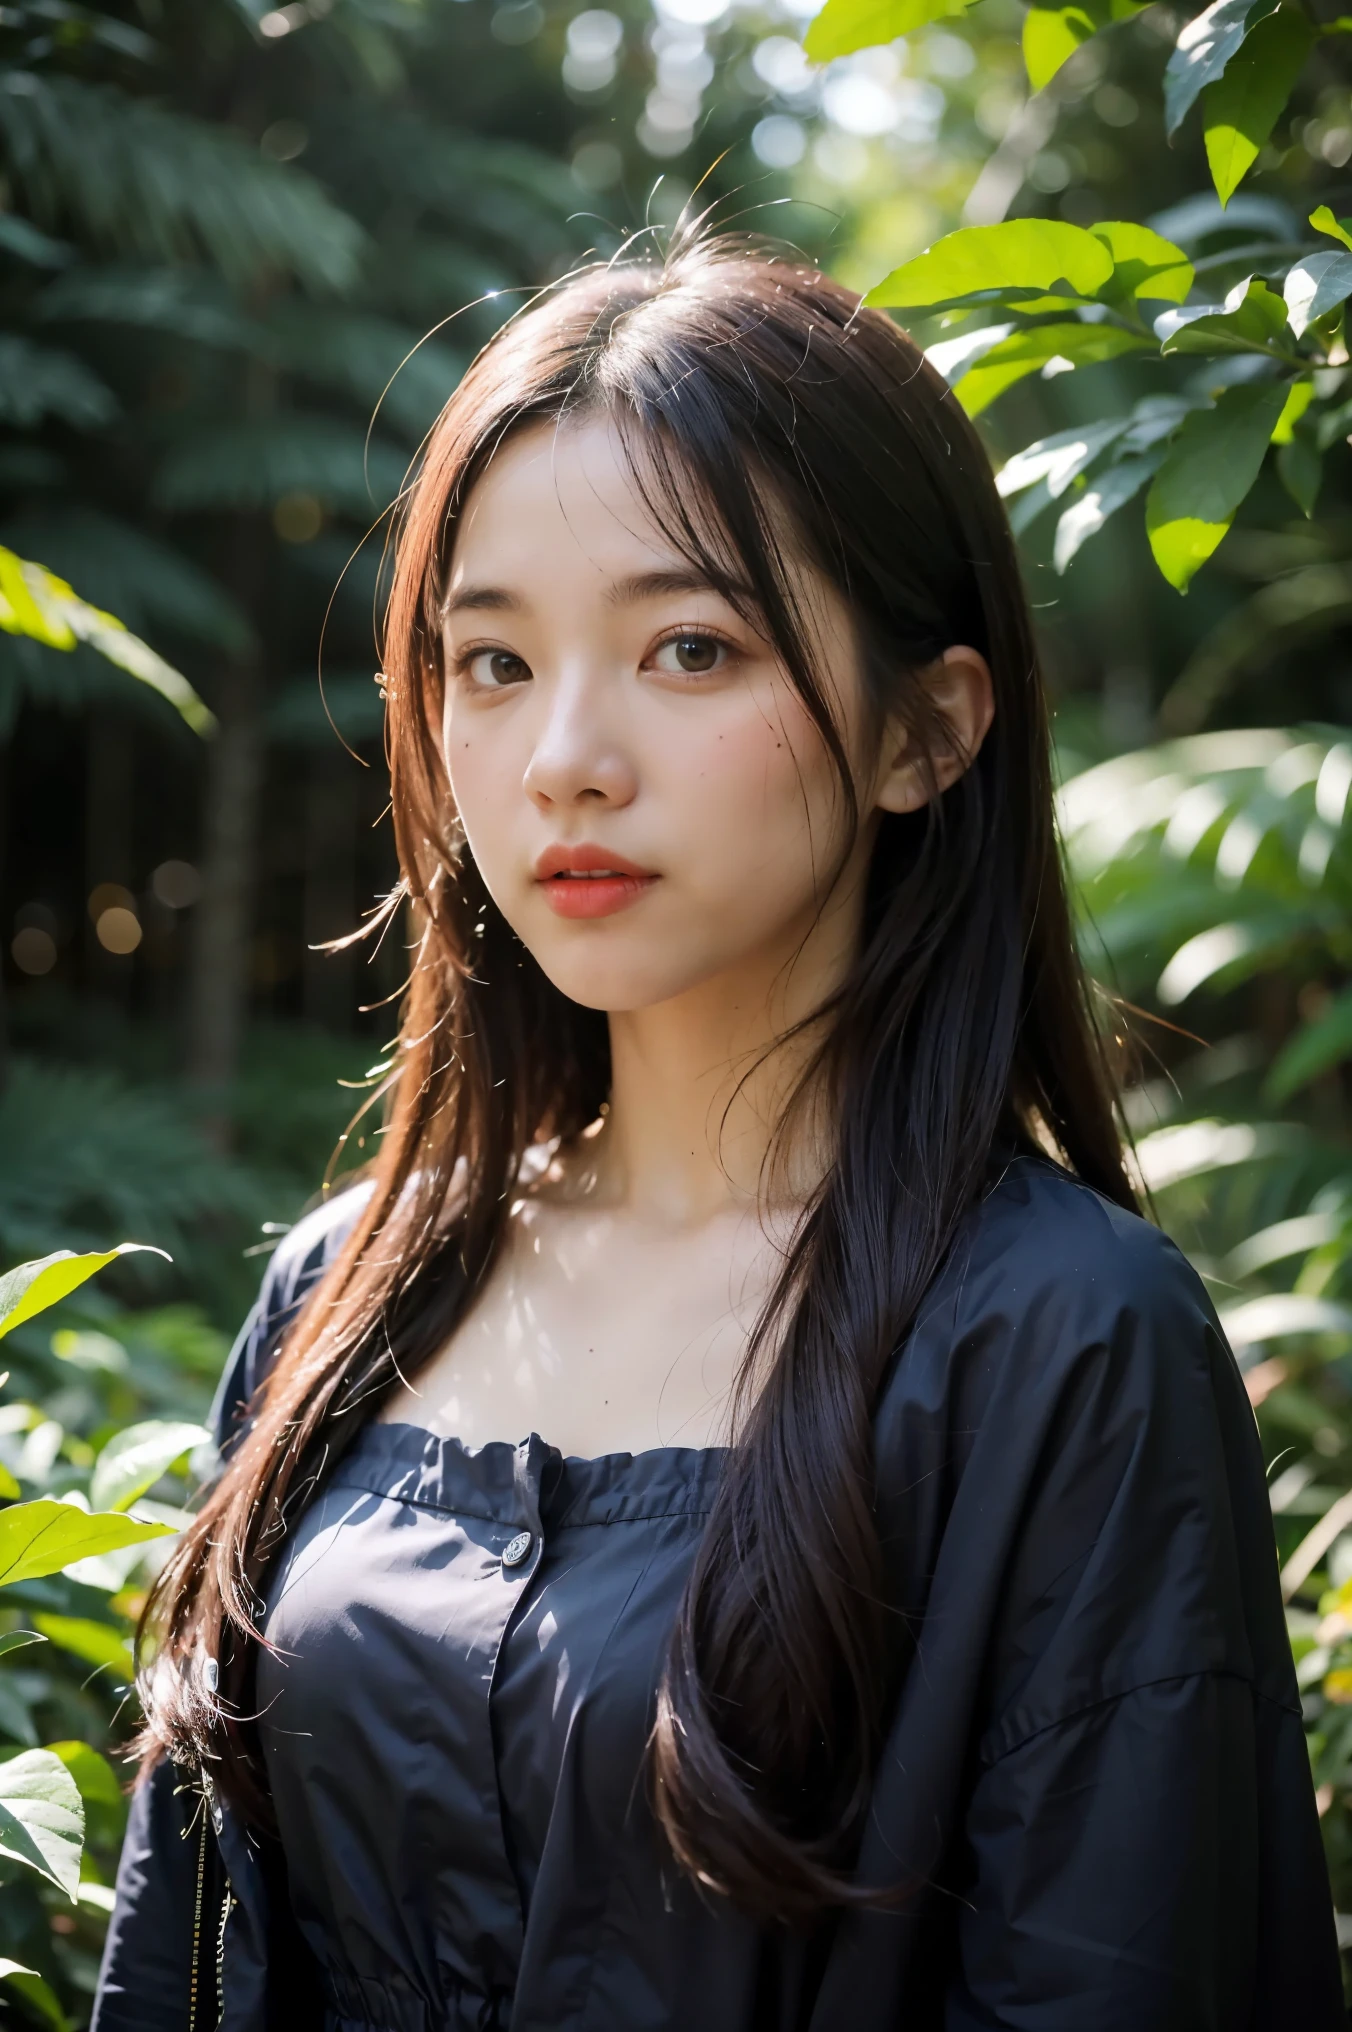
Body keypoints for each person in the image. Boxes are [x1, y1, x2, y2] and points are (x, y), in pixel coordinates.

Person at [92, 233, 1343, 2032]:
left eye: (688, 646)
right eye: (492, 663)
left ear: (929, 731)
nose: (563, 760)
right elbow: (183, 1962)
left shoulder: (1064, 1342)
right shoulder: (347, 1291)